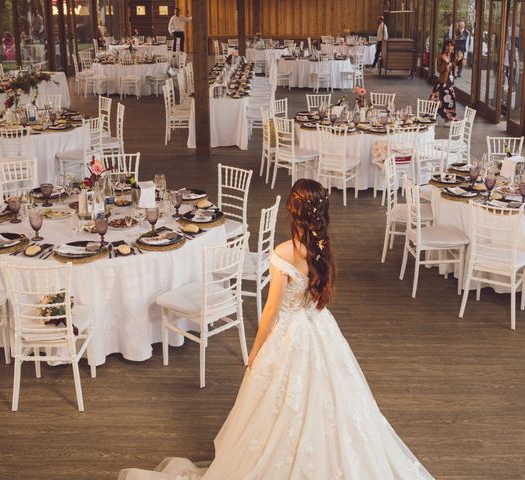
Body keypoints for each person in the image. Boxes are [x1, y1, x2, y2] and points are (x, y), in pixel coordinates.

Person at [118, 179, 434, 480]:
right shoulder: (322, 247)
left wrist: (255, 350)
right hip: (320, 327)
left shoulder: (283, 254)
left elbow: (271, 309)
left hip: (291, 334)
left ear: (292, 211)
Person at [431, 39, 460, 122]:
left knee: (451, 100)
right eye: (448, 45)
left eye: (452, 46)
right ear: (445, 46)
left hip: (449, 82)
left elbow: (451, 68)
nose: (450, 47)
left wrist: (457, 61)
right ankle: (432, 116)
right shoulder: (441, 57)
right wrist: (446, 63)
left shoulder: (451, 57)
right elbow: (439, 70)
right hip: (442, 82)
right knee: (436, 100)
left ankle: (449, 118)